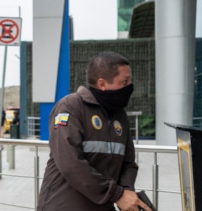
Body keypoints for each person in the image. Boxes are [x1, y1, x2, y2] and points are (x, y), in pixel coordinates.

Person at [37, 52, 152, 211]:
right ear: (102, 83)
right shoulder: (70, 107)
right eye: (124, 82)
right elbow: (70, 163)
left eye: (130, 81)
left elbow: (128, 162)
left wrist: (126, 192)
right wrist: (117, 195)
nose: (129, 87)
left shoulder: (119, 115)